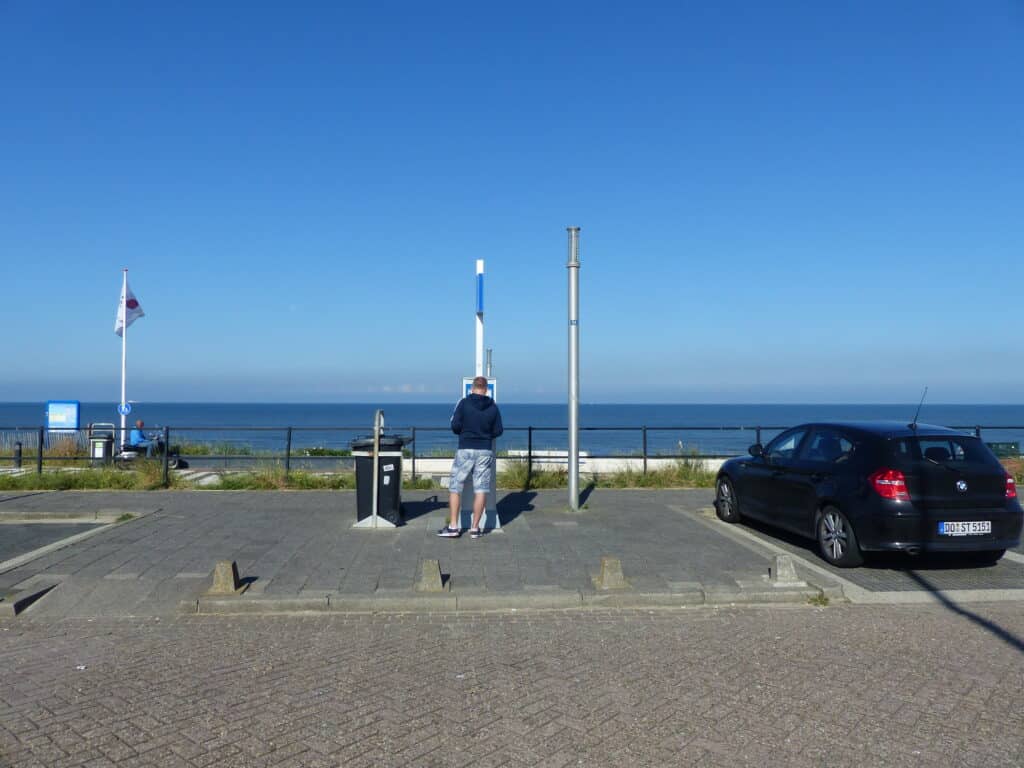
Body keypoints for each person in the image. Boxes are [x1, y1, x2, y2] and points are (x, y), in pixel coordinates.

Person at [437, 376, 503, 539]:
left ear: (472, 388)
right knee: (481, 489)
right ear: (486, 390)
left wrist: (466, 431)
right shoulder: (493, 407)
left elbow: (455, 426)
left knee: (455, 487)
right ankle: (475, 529)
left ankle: (453, 527)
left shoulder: (464, 403)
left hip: (465, 448)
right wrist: (485, 434)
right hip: (485, 450)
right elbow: (499, 430)